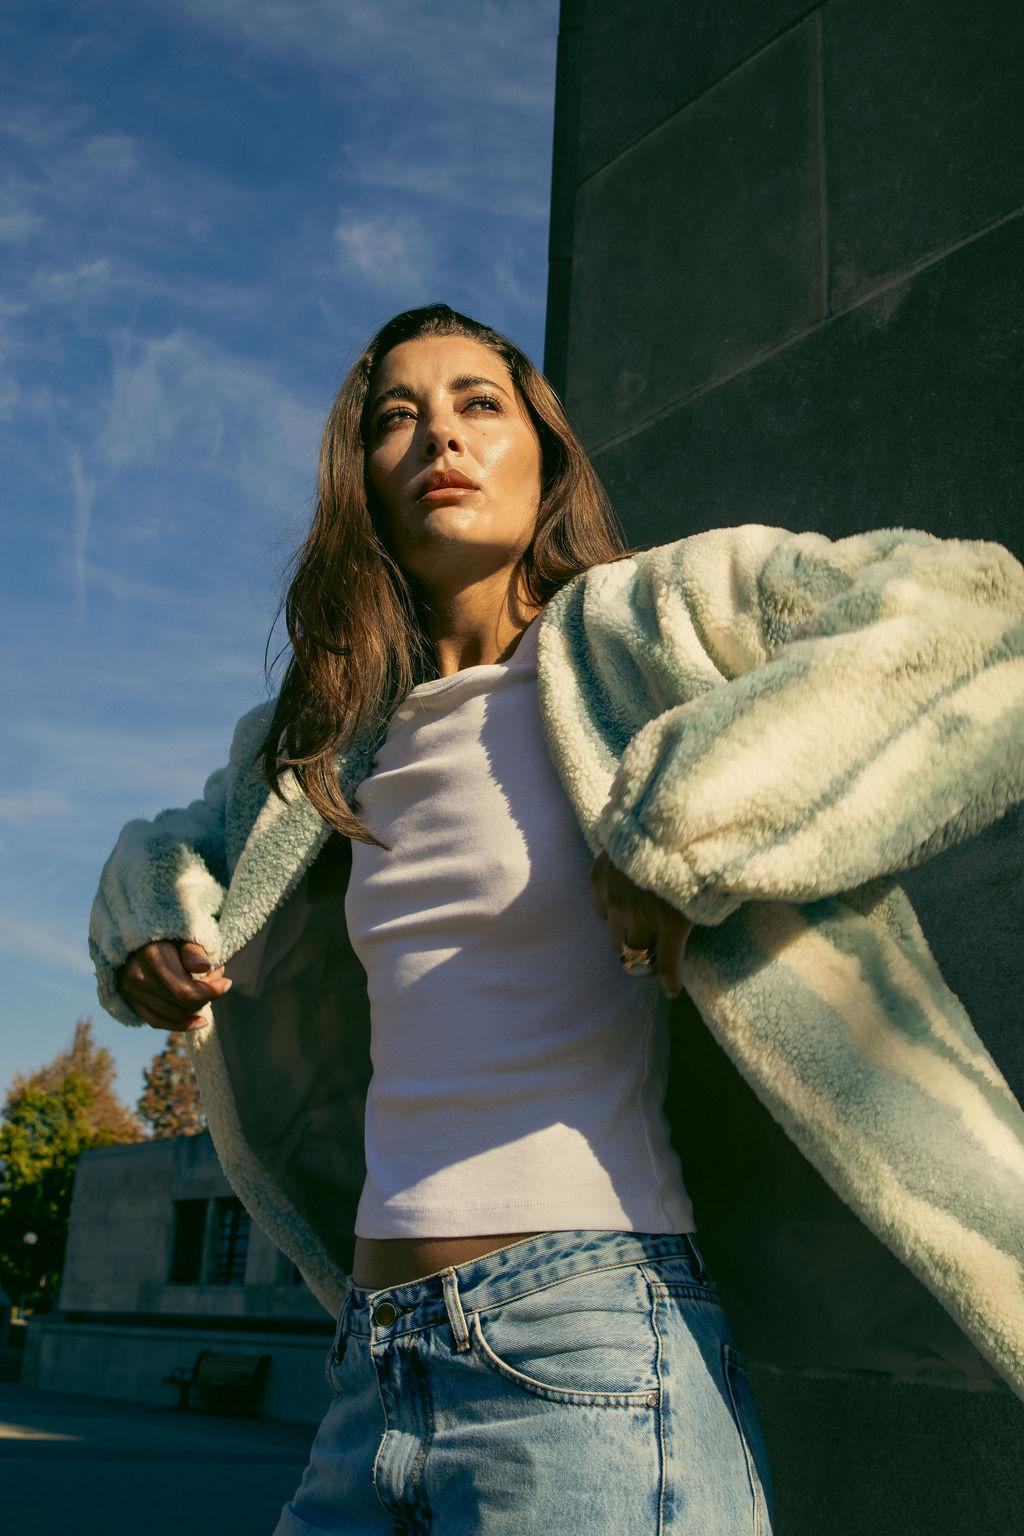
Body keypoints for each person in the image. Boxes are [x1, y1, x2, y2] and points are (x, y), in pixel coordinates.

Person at [90, 303, 1024, 1534]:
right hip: (369, 1368)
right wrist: (149, 929)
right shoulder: (323, 745)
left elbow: (976, 615)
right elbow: (172, 852)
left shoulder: (654, 618)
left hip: (586, 1348)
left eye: (478, 404)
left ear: (545, 454)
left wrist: (691, 823)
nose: (440, 437)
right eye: (396, 418)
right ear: (361, 482)